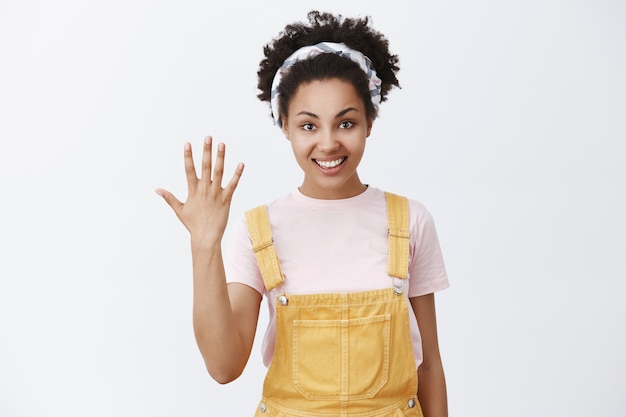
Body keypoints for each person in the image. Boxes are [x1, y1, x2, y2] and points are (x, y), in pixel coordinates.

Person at [156, 11, 449, 417]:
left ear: (369, 122)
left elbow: (430, 366)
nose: (328, 143)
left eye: (345, 122)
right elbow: (224, 367)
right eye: (309, 126)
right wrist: (204, 245)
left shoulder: (411, 222)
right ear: (286, 128)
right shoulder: (260, 231)